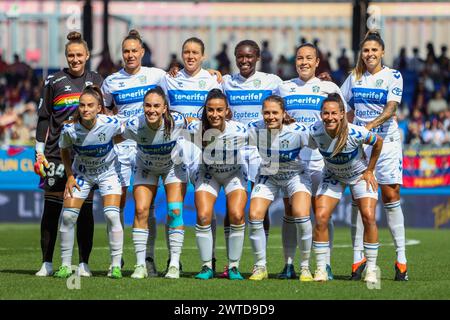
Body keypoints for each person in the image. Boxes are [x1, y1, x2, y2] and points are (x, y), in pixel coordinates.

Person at [277, 42, 349, 280]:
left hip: (322, 161)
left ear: (317, 62)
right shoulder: (284, 88)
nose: (304, 62)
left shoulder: (328, 87)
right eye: (299, 58)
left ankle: (323, 264)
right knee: (291, 212)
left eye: (309, 58)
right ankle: (289, 264)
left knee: (321, 213)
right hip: (294, 162)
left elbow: (343, 120)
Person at [341, 30, 409, 281]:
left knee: (391, 195)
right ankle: (357, 259)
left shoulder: (393, 75)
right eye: (366, 50)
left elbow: (392, 108)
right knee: (360, 201)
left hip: (386, 143)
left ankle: (401, 260)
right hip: (360, 146)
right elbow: (341, 106)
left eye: (374, 50)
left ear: (382, 52)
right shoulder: (354, 77)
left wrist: (368, 126)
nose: (369, 54)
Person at [34, 31, 103, 277]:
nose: (75, 59)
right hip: (55, 154)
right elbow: (44, 119)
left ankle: (83, 263)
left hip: (87, 156)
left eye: (79, 55)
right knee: (52, 208)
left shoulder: (97, 80)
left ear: (87, 56)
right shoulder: (53, 81)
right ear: (66, 57)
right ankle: (47, 263)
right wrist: (39, 152)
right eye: (70, 55)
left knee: (84, 209)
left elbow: (107, 114)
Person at [101, 29, 168, 277]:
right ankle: (115, 261)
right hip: (119, 148)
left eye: (134, 51)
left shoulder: (158, 76)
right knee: (115, 205)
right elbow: (105, 111)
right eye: (126, 51)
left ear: (142, 52)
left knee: (146, 208)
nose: (130, 55)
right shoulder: (111, 82)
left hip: (147, 147)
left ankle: (147, 260)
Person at [220, 39, 283, 278]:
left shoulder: (272, 82)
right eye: (240, 56)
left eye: (249, 56)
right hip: (234, 150)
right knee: (231, 207)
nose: (244, 60)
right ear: (235, 57)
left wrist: (325, 80)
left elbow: (293, 97)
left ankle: (261, 262)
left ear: (257, 57)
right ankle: (231, 263)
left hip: (260, 151)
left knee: (260, 207)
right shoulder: (225, 81)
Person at [160, 37, 222, 271]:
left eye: (195, 52)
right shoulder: (170, 79)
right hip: (175, 151)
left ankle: (211, 258)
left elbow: (222, 114)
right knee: (173, 208)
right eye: (186, 52)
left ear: (203, 56)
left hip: (202, 150)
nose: (190, 56)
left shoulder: (213, 81)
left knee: (205, 208)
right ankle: (173, 260)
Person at [308, 93, 383, 283]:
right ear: (321, 114)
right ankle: (321, 269)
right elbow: (301, 141)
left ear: (342, 114)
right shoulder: (315, 131)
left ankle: (372, 269)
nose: (330, 117)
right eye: (326, 113)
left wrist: (370, 170)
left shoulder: (355, 132)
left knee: (368, 216)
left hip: (359, 176)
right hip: (333, 175)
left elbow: (378, 142)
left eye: (334, 113)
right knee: (321, 217)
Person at [54, 85, 124, 279]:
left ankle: (115, 266)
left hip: (108, 173)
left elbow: (127, 133)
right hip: (82, 174)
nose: (86, 109)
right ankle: (66, 266)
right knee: (67, 217)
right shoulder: (69, 129)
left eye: (90, 105)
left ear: (99, 108)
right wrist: (69, 175)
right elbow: (64, 150)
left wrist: (111, 143)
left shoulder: (111, 123)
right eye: (82, 105)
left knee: (111, 216)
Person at [119, 86, 188, 279]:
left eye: (156, 106)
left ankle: (174, 264)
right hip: (145, 167)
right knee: (141, 210)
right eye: (147, 105)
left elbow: (198, 127)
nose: (152, 110)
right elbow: (113, 136)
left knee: (175, 211)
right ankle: (140, 265)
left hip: (173, 167)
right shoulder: (133, 125)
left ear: (165, 108)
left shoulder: (177, 121)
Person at [247, 95, 313, 281]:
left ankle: (305, 267)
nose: (270, 117)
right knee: (254, 215)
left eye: (275, 112)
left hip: (295, 175)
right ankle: (260, 267)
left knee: (300, 214)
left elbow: (320, 143)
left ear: (284, 114)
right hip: (269, 175)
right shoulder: (254, 128)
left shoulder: (298, 131)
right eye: (266, 112)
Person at [189, 89, 247, 280]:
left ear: (227, 111)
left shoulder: (240, 130)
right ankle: (206, 267)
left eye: (219, 110)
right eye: (210, 110)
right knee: (204, 215)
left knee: (237, 215)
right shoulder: (195, 129)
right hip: (208, 173)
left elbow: (265, 134)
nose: (214, 114)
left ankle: (233, 267)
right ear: (205, 110)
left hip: (234, 173)